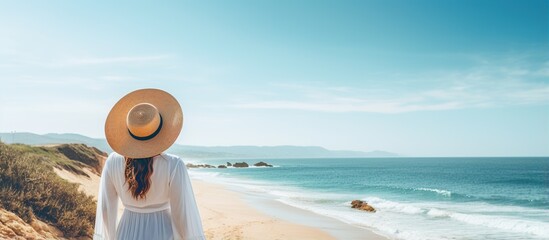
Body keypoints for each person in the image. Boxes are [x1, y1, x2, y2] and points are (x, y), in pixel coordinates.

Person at [93, 88, 205, 240]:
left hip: (126, 232)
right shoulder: (173, 165)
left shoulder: (113, 161)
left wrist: (110, 237)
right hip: (162, 233)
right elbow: (183, 215)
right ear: (162, 131)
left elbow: (106, 210)